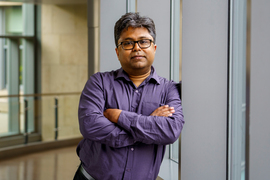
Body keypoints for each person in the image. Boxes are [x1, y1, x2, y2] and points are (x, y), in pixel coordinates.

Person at [73, 12, 184, 180]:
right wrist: (147, 125)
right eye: (128, 43)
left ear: (154, 48)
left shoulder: (169, 89)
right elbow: (90, 125)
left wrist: (119, 116)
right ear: (118, 52)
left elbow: (170, 131)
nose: (137, 48)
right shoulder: (99, 82)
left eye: (144, 41)